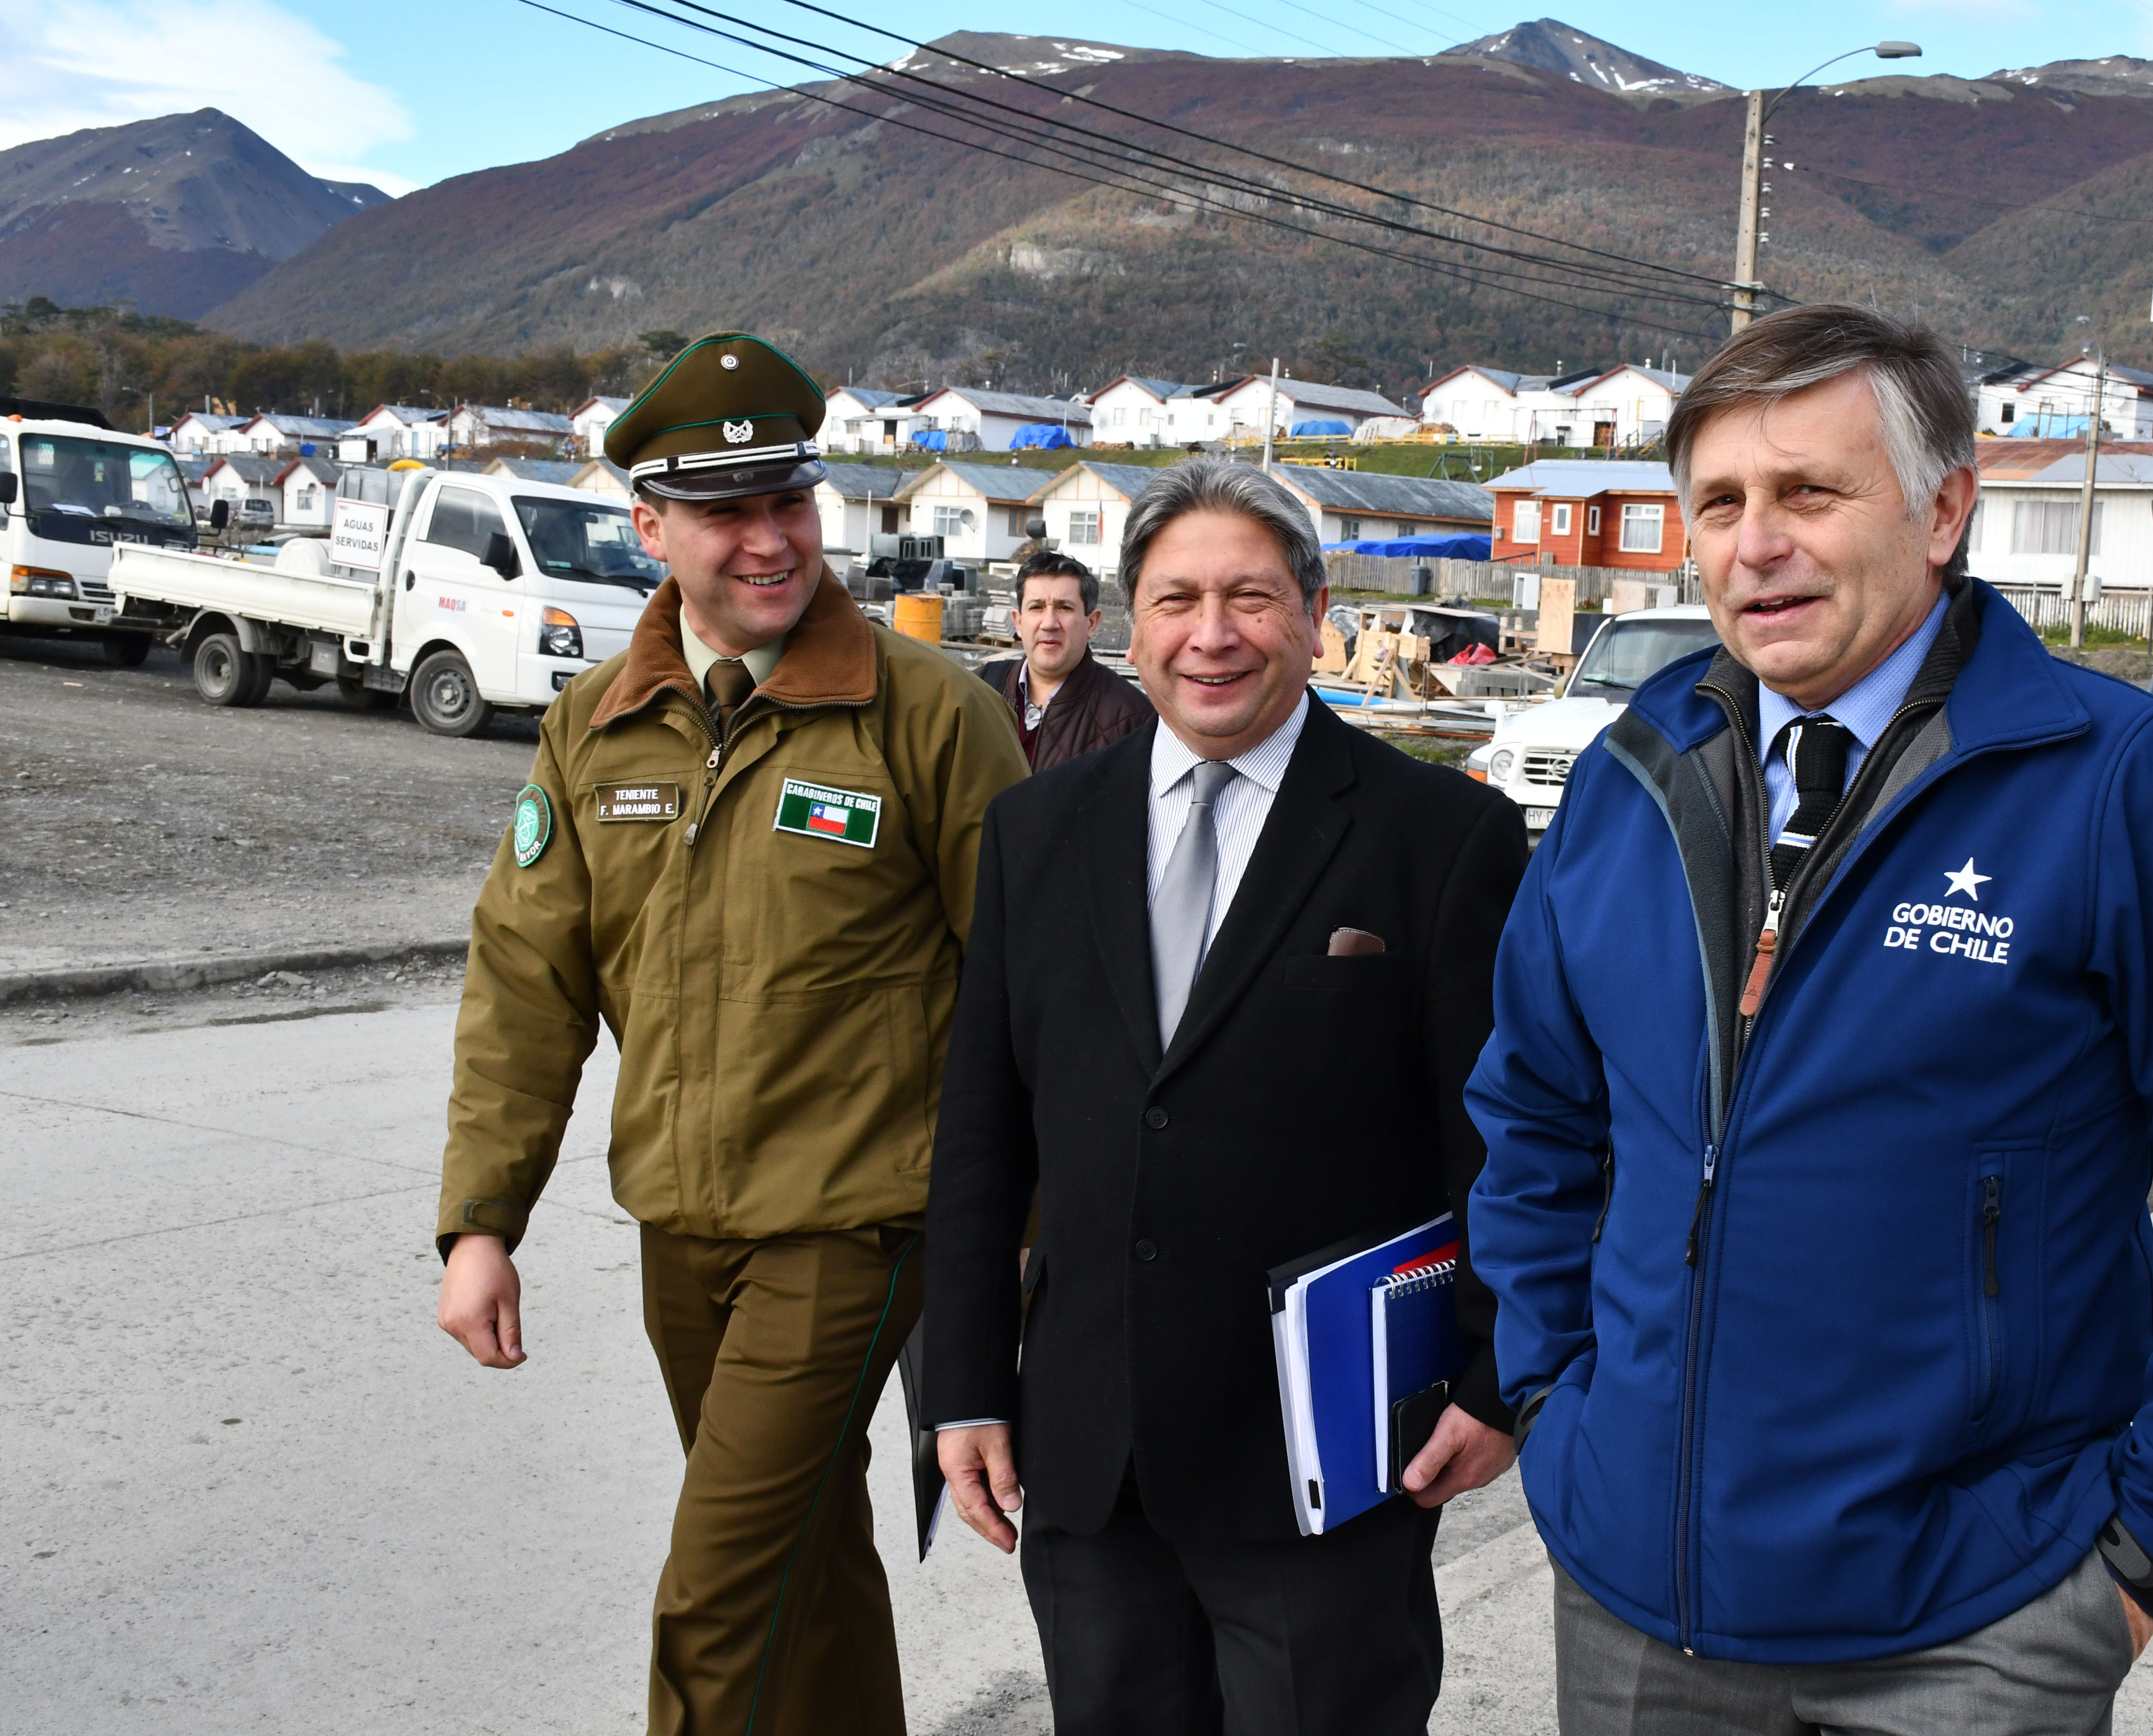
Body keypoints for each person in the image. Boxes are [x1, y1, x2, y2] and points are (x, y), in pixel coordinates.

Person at [1463, 304, 2153, 1734]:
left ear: (1944, 509)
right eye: (1720, 502)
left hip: (1976, 1621)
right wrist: (1553, 1405)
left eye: (1807, 493)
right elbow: (1533, 1117)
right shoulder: (1631, 776)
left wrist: (2141, 1556)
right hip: (1637, 1603)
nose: (1755, 544)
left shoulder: (2119, 783)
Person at [431, 333, 1026, 1736]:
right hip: (681, 1227)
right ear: (650, 529)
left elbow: (1034, 991)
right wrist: (481, 1219)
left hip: (855, 1226)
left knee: (716, 1596)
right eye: (725, 512)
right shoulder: (596, 725)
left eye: (788, 502)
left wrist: (1026, 1244)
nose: (770, 540)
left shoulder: (929, 716)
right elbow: (526, 981)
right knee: (801, 1558)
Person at [921, 457, 1530, 1735]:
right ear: (1131, 623)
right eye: (1177, 599)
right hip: (1090, 1452)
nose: (1213, 635)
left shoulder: (1436, 835)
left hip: (1326, 1456)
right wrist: (964, 1383)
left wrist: (1494, 1379)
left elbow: (1494, 1139)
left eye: (1250, 598)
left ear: (1315, 615)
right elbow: (981, 1131)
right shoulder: (1036, 832)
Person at [979, 550, 1154, 770]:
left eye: (1064, 608)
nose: (1049, 624)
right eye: (1036, 608)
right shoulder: (982, 686)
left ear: (1092, 623)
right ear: (1019, 623)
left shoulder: (1132, 718)